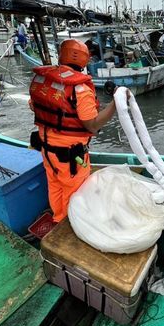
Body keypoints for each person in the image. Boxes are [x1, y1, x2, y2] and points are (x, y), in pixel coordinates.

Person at [28, 39, 118, 222]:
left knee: (54, 185)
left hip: (47, 150)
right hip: (70, 156)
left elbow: (33, 106)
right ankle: (68, 225)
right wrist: (116, 103)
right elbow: (92, 125)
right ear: (84, 60)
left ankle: (57, 217)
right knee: (74, 191)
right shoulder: (80, 88)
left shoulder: (43, 79)